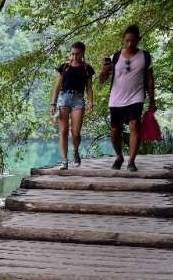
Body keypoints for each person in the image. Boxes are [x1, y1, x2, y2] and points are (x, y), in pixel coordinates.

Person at [99, 24, 155, 172]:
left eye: (133, 41)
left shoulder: (145, 56)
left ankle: (131, 161)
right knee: (115, 130)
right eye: (127, 41)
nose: (130, 43)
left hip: (136, 97)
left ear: (138, 40)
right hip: (116, 99)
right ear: (123, 40)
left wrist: (152, 101)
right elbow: (102, 80)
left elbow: (150, 80)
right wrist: (104, 71)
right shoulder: (115, 57)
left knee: (134, 124)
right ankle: (119, 156)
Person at [49, 42, 94, 169]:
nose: (74, 57)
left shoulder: (87, 69)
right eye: (72, 54)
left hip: (78, 100)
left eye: (77, 54)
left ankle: (75, 151)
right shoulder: (64, 67)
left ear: (82, 53)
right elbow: (57, 86)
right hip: (63, 99)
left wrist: (91, 102)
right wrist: (53, 103)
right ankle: (64, 161)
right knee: (63, 131)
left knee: (76, 133)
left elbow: (89, 88)